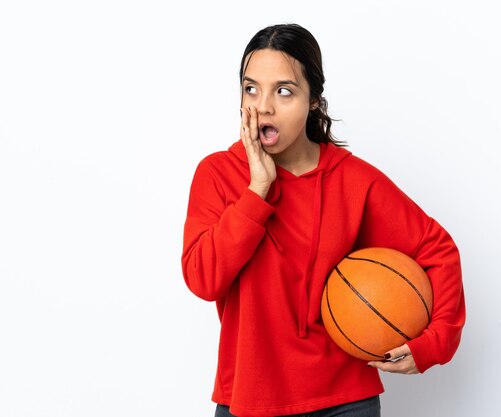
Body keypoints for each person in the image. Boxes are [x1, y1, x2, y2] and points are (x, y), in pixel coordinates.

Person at [181, 23, 465, 417]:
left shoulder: (354, 179)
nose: (263, 106)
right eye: (251, 88)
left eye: (284, 91)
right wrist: (257, 189)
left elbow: (436, 247)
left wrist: (435, 342)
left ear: (314, 99)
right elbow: (202, 278)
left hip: (345, 402)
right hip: (249, 399)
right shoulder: (218, 173)